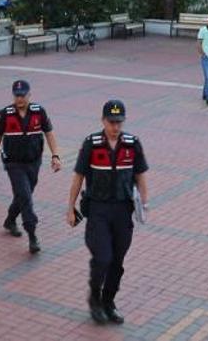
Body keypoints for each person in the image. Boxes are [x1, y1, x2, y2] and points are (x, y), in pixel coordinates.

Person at [67, 100, 149, 325]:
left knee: (117, 262)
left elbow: (140, 174)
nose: (115, 126)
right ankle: (94, 299)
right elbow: (78, 176)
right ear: (103, 120)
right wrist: (70, 207)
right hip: (98, 210)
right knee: (102, 258)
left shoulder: (132, 144)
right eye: (111, 122)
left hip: (123, 211)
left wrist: (144, 202)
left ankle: (108, 302)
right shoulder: (92, 144)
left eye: (119, 122)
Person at [0, 80, 61, 254]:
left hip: (33, 162)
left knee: (23, 194)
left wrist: (55, 155)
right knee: (26, 197)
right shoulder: (5, 114)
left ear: (29, 95)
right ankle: (32, 235)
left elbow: (49, 133)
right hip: (14, 163)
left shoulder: (39, 112)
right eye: (17, 95)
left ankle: (10, 219)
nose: (20, 98)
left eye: (23, 95)